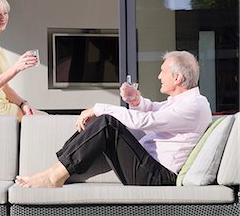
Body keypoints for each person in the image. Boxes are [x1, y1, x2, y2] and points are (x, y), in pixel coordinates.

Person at [16, 50, 212, 187]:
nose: (159, 76)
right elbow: (154, 109)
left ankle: (54, 176)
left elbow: (145, 121)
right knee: (100, 124)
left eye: (163, 71)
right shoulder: (185, 102)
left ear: (177, 78)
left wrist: (98, 108)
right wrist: (137, 101)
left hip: (157, 175)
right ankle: (56, 171)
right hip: (149, 168)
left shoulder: (193, 106)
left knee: (107, 123)